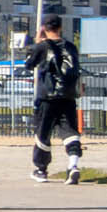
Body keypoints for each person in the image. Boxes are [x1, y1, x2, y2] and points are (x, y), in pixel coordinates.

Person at [26, 11, 84, 184]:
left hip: (47, 97)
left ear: (44, 28)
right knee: (70, 132)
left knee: (43, 133)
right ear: (60, 27)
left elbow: (29, 64)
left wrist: (36, 44)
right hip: (67, 96)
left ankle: (41, 170)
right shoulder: (71, 46)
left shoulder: (43, 47)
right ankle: (73, 165)